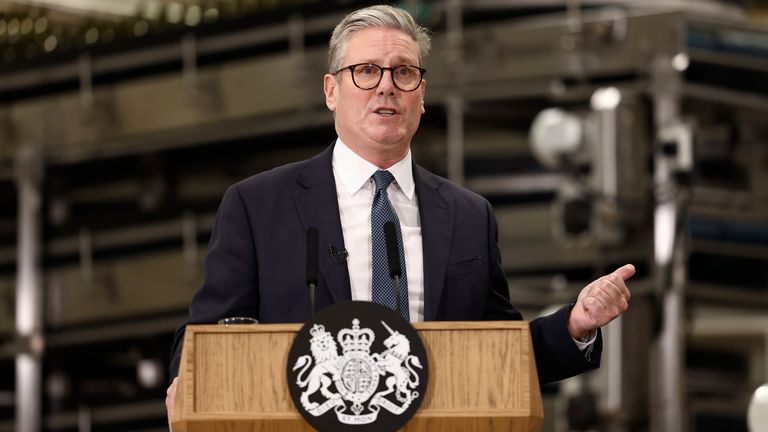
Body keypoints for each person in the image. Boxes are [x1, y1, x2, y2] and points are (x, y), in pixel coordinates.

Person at [165, 4, 633, 427]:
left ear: (422, 94)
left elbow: (499, 352)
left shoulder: (470, 216)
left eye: (403, 72)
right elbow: (208, 334)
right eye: (367, 71)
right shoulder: (258, 205)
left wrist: (574, 323)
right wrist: (190, 376)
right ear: (332, 90)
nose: (386, 85)